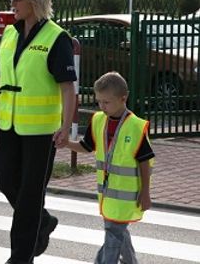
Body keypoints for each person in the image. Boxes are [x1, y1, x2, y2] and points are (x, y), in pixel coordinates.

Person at [0, 0, 77, 264]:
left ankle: (20, 257)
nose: (12, 4)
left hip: (42, 132)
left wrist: (66, 128)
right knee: (4, 175)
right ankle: (42, 221)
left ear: (34, 1)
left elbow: (68, 88)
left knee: (30, 196)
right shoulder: (10, 33)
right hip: (10, 126)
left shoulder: (57, 38)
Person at [62, 72, 154, 264]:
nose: (102, 107)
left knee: (113, 234)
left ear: (123, 98)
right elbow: (86, 147)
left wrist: (146, 192)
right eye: (99, 102)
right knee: (119, 233)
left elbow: (145, 162)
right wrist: (66, 143)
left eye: (107, 102)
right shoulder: (98, 120)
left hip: (128, 196)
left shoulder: (136, 127)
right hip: (107, 195)